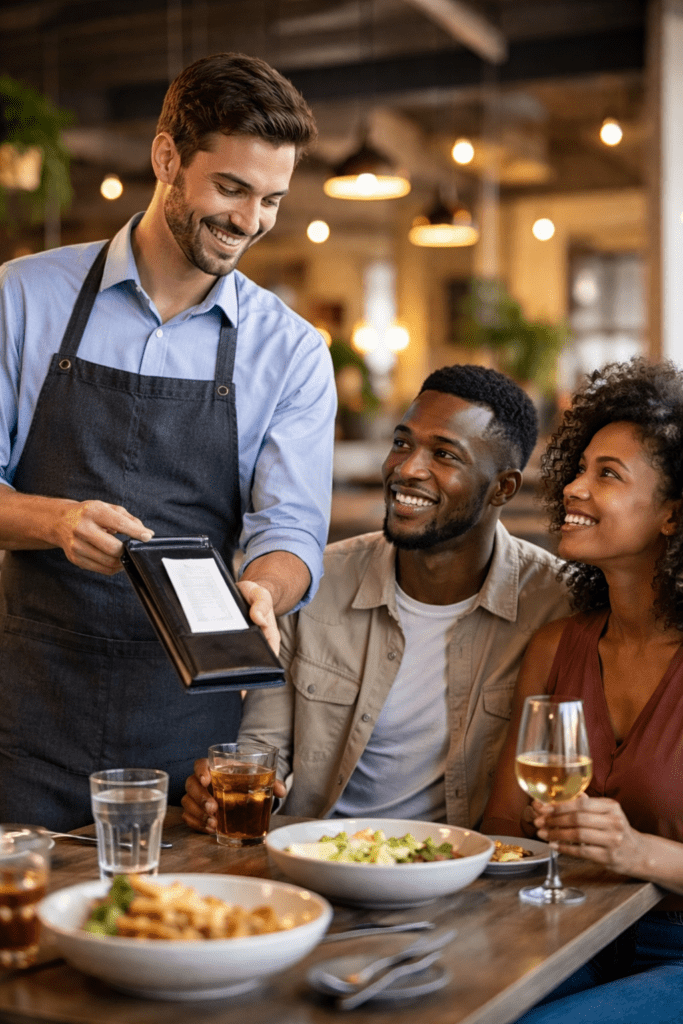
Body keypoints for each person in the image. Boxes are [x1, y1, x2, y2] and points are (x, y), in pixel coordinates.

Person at [0, 53, 337, 830]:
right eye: (231, 188)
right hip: (27, 717)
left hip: (187, 732)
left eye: (272, 200)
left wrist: (266, 589)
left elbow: (290, 531)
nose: (249, 221)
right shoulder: (24, 297)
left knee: (168, 932)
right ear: (166, 159)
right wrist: (54, 523)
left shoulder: (288, 351)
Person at [183, 364, 570, 833]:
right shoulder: (315, 585)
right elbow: (265, 750)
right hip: (313, 860)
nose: (407, 469)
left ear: (503, 488)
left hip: (458, 876)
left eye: (445, 455)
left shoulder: (557, 603)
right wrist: (225, 793)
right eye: (402, 443)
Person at [481, 359, 683, 1024]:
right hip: (573, 930)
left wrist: (635, 852)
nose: (570, 486)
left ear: (670, 517)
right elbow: (504, 829)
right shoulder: (556, 646)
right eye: (579, 466)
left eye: (607, 474)